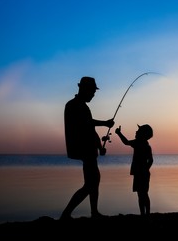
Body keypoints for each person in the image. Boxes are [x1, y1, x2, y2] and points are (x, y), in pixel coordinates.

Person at [60, 76, 114, 220]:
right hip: (83, 150)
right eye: (92, 92)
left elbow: (90, 129)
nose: (93, 95)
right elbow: (87, 124)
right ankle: (67, 213)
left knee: (94, 181)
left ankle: (94, 212)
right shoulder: (74, 105)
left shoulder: (82, 106)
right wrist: (105, 123)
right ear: (84, 89)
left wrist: (98, 146)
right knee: (90, 184)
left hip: (89, 150)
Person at [115, 124, 154, 216]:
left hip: (140, 173)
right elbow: (151, 160)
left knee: (142, 195)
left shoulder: (138, 143)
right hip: (142, 173)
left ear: (143, 134)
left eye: (138, 131)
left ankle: (145, 214)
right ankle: (145, 214)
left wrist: (119, 133)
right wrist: (146, 169)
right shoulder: (146, 145)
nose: (136, 132)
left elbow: (126, 142)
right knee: (143, 194)